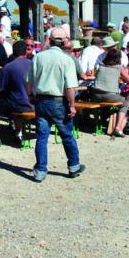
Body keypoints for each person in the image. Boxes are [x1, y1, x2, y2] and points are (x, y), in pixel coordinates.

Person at [25, 29, 84, 182]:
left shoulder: (38, 57)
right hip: (59, 101)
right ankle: (73, 165)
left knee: (41, 137)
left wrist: (31, 95)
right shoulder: (67, 60)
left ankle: (40, 170)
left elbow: (29, 79)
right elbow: (70, 87)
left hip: (41, 100)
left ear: (49, 40)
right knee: (67, 135)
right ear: (65, 42)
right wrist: (72, 105)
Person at [0, 40, 33, 146]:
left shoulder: (9, 67)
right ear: (25, 52)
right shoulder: (33, 64)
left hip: (17, 104)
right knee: (14, 103)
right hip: (33, 104)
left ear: (13, 52)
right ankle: (18, 133)